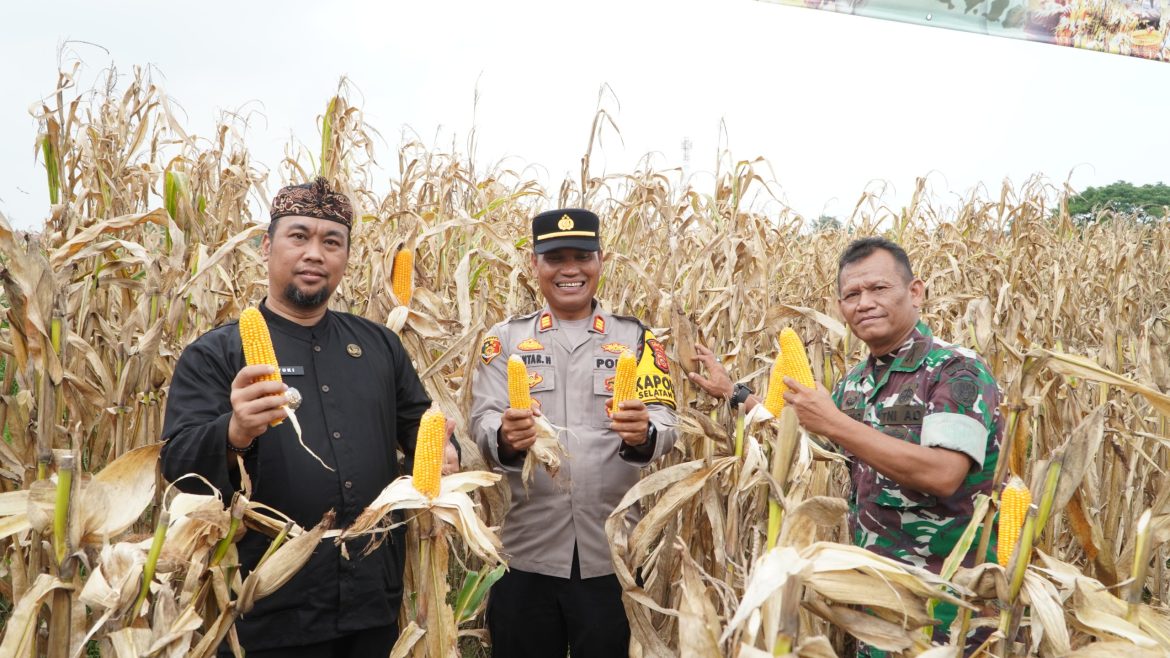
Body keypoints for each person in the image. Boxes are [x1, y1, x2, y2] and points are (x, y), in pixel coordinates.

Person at [159, 177, 458, 657]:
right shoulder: (216, 354)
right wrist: (233, 432)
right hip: (266, 604)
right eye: (298, 236)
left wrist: (445, 451)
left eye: (332, 242)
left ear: (346, 256)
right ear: (266, 246)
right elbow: (178, 466)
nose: (315, 253)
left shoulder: (379, 346)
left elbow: (421, 425)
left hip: (371, 600)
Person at [690, 237, 1002, 650]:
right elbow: (815, 440)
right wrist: (733, 392)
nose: (865, 303)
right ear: (840, 308)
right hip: (874, 601)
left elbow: (943, 473)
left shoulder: (955, 370)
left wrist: (835, 422)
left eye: (879, 288)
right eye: (852, 295)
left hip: (948, 608)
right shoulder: (856, 383)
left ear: (915, 292)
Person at [470, 208, 679, 658]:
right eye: (555, 258)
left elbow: (666, 420)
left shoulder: (638, 339)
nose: (570, 270)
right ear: (534, 264)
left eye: (582, 256)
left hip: (611, 554)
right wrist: (505, 436)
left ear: (601, 260)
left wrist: (644, 433)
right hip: (526, 553)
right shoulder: (504, 341)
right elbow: (482, 420)